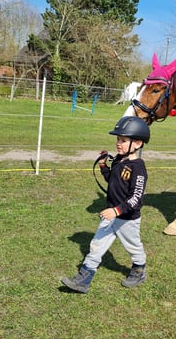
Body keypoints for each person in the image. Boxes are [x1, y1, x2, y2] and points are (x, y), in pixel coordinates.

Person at [61, 116, 150, 293]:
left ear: (138, 143)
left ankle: (139, 270)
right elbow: (112, 181)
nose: (118, 143)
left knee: (133, 246)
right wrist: (103, 166)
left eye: (124, 140)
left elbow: (136, 198)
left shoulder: (138, 168)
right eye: (118, 139)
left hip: (126, 219)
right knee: (96, 244)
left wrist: (116, 211)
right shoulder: (118, 160)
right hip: (110, 215)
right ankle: (84, 278)